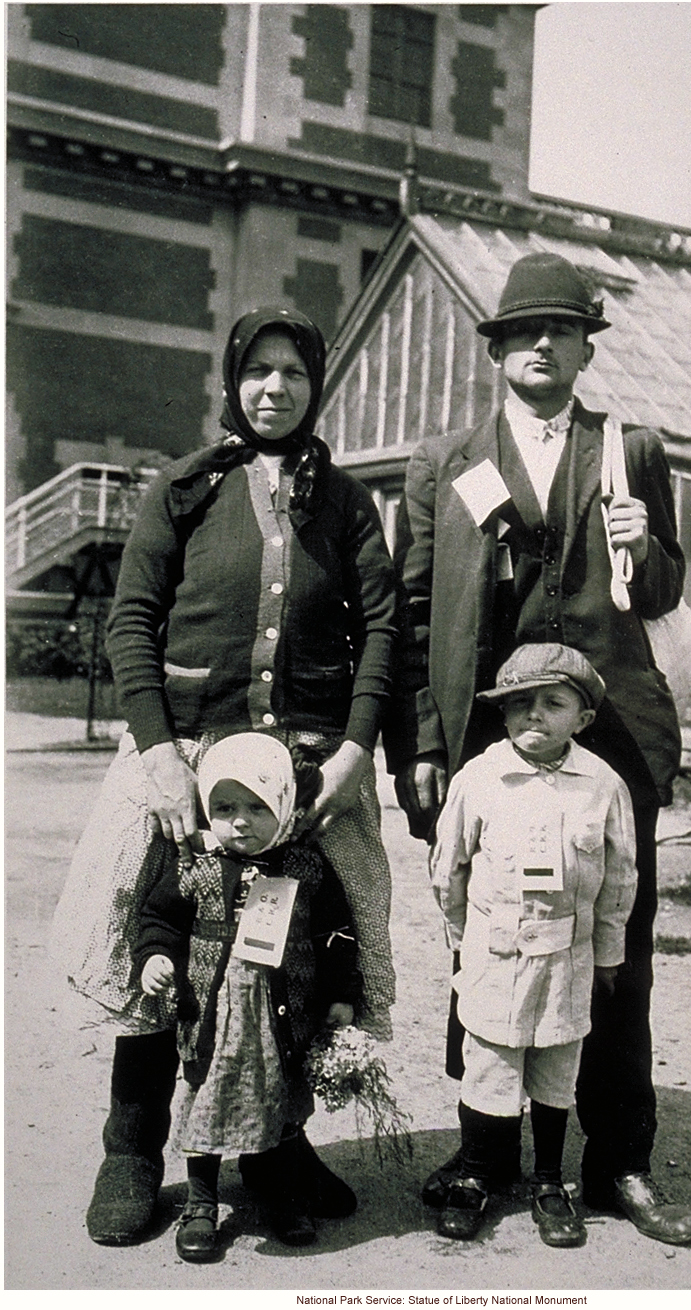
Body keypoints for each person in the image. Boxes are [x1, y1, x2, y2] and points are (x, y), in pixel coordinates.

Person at [50, 305, 397, 1246]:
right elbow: (132, 625)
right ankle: (131, 1146)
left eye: (293, 373)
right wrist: (159, 756)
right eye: (258, 372)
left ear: (316, 386)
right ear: (233, 381)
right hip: (190, 758)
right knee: (158, 945)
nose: (274, 388)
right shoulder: (183, 489)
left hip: (310, 773)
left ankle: (274, 1146)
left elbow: (381, 633)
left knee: (294, 954)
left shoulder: (351, 503)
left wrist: (357, 750)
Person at [387, 251, 691, 1246]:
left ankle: (616, 1160)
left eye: (558, 331)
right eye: (520, 331)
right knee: (484, 945)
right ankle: (483, 1153)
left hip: (605, 748)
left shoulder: (629, 449)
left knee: (611, 952)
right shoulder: (446, 462)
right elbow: (410, 613)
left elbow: (658, 591)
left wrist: (641, 540)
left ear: (581, 347)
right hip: (490, 743)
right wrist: (426, 745)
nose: (539, 344)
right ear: (495, 349)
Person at [429, 644, 636, 1248]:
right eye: (519, 705)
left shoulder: (602, 786)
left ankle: (549, 1181)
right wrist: (464, 941)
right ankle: (475, 1174)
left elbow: (620, 879)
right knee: (489, 1067)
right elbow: (450, 868)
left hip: (567, 960)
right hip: (494, 955)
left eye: (553, 704)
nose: (534, 717)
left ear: (584, 717)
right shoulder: (481, 778)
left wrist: (608, 954)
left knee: (554, 1071)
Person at [136, 733, 362, 1260]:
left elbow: (338, 935)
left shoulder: (306, 868)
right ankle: (200, 1201)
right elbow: (159, 917)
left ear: (284, 803)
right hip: (214, 1016)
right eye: (224, 807)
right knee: (204, 1101)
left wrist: (341, 996)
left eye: (258, 807)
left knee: (281, 1104)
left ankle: (284, 1194)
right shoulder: (197, 868)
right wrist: (156, 956)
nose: (240, 821)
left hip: (283, 1018)